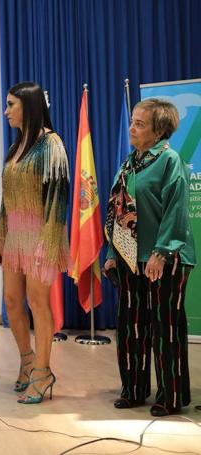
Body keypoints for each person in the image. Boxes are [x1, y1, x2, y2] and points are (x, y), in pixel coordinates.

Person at [104, 98, 195, 417]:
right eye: (132, 121)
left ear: (159, 131)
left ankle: (171, 396)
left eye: (139, 124)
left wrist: (161, 251)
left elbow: (176, 210)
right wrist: (112, 253)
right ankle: (133, 390)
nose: (131, 127)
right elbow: (117, 210)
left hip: (166, 257)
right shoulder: (129, 162)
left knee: (165, 326)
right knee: (131, 325)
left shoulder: (170, 161)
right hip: (130, 257)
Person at [0, 82, 70, 404]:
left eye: (11, 105)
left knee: (39, 303)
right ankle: (26, 360)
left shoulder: (51, 144)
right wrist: (1, 238)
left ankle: (43, 371)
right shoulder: (16, 147)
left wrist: (48, 243)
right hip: (15, 238)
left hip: (42, 236)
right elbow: (8, 199)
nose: (6, 111)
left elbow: (58, 199)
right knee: (13, 302)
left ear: (29, 105)